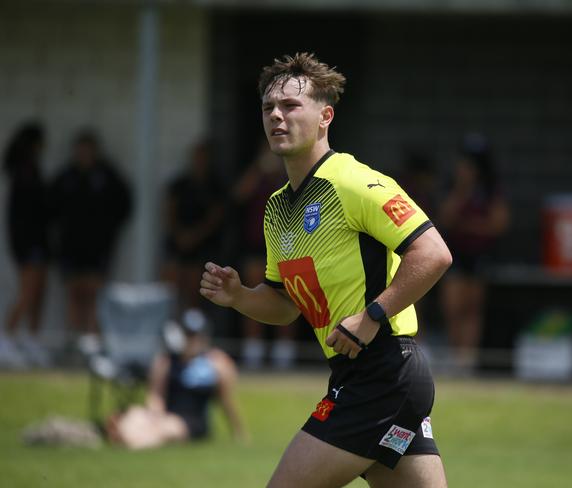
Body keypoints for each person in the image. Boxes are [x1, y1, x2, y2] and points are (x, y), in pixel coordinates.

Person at [200, 53, 452, 488]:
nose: (276, 116)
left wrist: (372, 316)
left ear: (325, 116)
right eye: (268, 108)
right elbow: (286, 307)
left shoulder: (353, 182)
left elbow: (433, 254)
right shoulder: (277, 208)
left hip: (384, 372)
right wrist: (240, 296)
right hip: (364, 376)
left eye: (291, 105)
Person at [106, 308, 246, 449]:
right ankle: (124, 435)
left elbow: (226, 401)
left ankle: (132, 441)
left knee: (166, 428)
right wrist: (154, 415)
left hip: (192, 423)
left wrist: (238, 431)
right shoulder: (166, 362)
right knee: (135, 414)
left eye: (196, 335)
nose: (192, 340)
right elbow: (156, 395)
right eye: (188, 334)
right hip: (166, 415)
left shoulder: (215, 363)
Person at [50, 130, 131, 355]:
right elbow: (50, 207)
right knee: (74, 292)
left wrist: (108, 228)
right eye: (80, 151)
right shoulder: (66, 176)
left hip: (99, 246)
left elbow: (124, 203)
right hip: (71, 246)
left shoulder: (107, 175)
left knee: (95, 292)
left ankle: (93, 343)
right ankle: (74, 343)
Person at [437, 134, 509, 372]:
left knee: (472, 308)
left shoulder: (490, 190)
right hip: (454, 252)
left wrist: (468, 225)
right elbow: (445, 219)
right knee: (452, 306)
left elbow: (497, 224)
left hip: (479, 254)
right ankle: (453, 353)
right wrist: (462, 190)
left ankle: (466, 360)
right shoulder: (454, 187)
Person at [232, 141, 297, 369]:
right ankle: (254, 351)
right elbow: (238, 195)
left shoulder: (291, 173)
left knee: (289, 296)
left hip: (287, 244)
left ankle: (283, 353)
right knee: (253, 293)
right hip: (256, 244)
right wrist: (259, 167)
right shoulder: (256, 174)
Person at [1, 121, 51, 368]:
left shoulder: (31, 170)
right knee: (27, 293)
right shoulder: (23, 172)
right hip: (28, 243)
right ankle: (6, 338)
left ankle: (32, 339)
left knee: (39, 294)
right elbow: (24, 215)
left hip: (38, 242)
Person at [162, 139, 225, 311]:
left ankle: (191, 322)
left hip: (203, 245)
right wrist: (180, 236)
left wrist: (194, 236)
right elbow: (169, 211)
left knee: (195, 284)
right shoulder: (180, 184)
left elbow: (215, 218)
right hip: (178, 242)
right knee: (171, 280)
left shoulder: (215, 186)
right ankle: (171, 322)